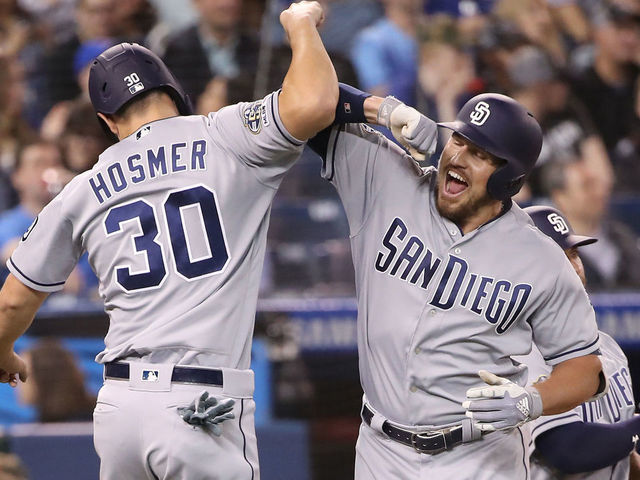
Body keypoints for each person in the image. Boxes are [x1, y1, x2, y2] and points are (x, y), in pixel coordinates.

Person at [0, 2, 338, 479]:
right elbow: (317, 103)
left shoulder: (83, 188)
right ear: (174, 91)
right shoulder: (224, 132)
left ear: (107, 119)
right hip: (199, 402)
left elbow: (11, 303)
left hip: (119, 405)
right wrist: (300, 26)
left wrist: (3, 350)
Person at [309, 86, 604, 479]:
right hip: (381, 453)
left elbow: (585, 369)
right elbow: (304, 101)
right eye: (459, 140)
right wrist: (384, 110)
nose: (459, 157)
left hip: (477, 458)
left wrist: (529, 402)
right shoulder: (388, 179)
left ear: (509, 179)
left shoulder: (543, 261)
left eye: (480, 155)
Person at [519, 205, 640, 479]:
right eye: (559, 259)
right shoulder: (519, 354)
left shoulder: (608, 347)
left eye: (574, 253)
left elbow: (621, 455)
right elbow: (567, 449)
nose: (574, 268)